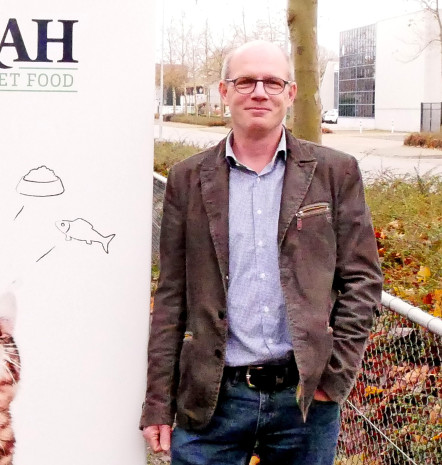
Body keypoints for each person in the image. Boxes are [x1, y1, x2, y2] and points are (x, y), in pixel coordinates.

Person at [140, 40, 383, 464]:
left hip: (305, 402)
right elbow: (171, 297)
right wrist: (158, 402)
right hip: (211, 401)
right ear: (224, 91)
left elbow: (362, 281)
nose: (259, 91)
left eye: (272, 81)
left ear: (290, 93)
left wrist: (335, 377)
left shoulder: (335, 172)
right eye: (246, 81)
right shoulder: (187, 179)